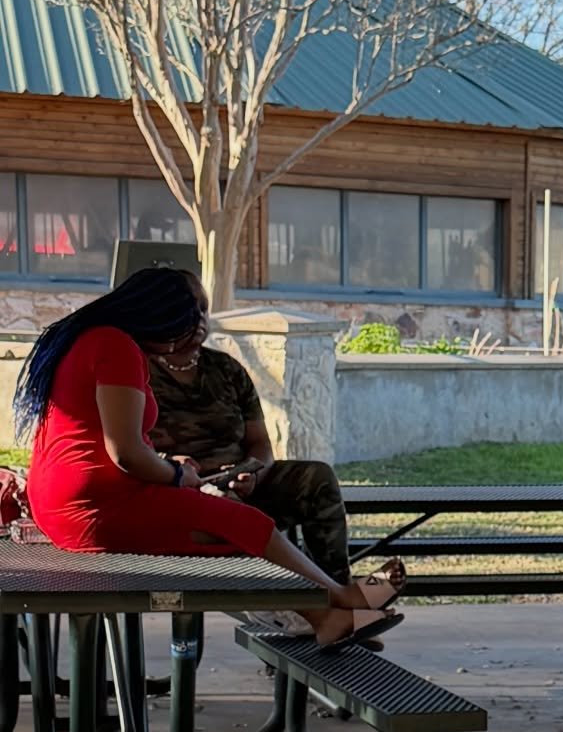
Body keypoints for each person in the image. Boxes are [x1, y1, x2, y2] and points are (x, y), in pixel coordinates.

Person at [13, 269, 400, 648]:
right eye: (187, 318)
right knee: (241, 524)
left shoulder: (97, 340)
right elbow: (127, 452)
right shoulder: (117, 347)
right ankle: (337, 599)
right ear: (161, 316)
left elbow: (117, 445)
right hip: (93, 508)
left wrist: (201, 473)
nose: (195, 327)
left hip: (75, 504)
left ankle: (326, 613)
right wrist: (178, 475)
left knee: (241, 524)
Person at [148, 274, 356, 587]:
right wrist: (170, 467)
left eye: (204, 309)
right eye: (192, 310)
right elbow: (128, 448)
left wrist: (254, 473)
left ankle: (338, 588)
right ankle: (295, 604)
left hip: (240, 482)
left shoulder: (226, 369)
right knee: (226, 506)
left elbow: (261, 444)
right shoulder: (138, 372)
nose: (201, 319)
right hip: (178, 492)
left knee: (317, 478)